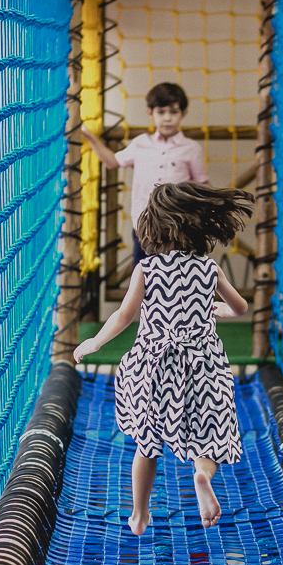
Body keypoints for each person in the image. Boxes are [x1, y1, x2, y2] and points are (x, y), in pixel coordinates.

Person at [73, 182, 253, 536]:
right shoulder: (209, 268)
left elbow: (124, 315)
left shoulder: (147, 268)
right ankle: (202, 474)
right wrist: (219, 309)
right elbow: (241, 308)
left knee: (147, 444)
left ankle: (140, 514)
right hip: (204, 365)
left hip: (157, 366)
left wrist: (95, 341)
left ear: (153, 228)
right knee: (209, 434)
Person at [80, 82, 208, 265]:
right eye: (161, 112)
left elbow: (203, 185)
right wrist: (88, 135)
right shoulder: (140, 144)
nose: (167, 119)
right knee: (142, 280)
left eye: (173, 112)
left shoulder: (191, 149)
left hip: (180, 228)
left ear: (183, 113)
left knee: (177, 280)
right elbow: (112, 162)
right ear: (150, 113)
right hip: (144, 227)